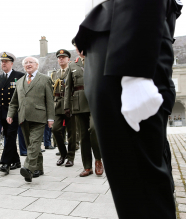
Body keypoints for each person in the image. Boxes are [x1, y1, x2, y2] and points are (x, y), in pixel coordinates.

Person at [74, 0, 182, 218]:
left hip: (126, 42)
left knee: (141, 187)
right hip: (116, 40)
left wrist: (135, 70)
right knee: (133, 187)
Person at [7, 56, 55, 182]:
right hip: (24, 117)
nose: (28, 64)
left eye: (31, 62)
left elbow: (50, 100)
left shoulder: (45, 79)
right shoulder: (19, 82)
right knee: (32, 145)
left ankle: (28, 169)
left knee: (34, 143)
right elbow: (14, 102)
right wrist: (10, 114)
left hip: (39, 117)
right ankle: (39, 168)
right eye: (26, 63)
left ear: (37, 65)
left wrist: (51, 118)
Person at [64, 39, 103, 177]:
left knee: (93, 129)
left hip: (95, 102)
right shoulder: (72, 66)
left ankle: (98, 159)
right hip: (79, 104)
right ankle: (87, 166)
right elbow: (68, 87)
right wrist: (66, 106)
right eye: (77, 47)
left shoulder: (98, 60)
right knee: (83, 136)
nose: (79, 49)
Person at [0, 52, 25, 174]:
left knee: (11, 136)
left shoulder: (19, 76)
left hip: (15, 113)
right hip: (3, 113)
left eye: (6, 62)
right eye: (2, 62)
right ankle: (17, 161)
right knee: (8, 136)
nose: (3, 63)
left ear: (11, 63)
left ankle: (5, 163)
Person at [51, 49, 76, 167]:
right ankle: (63, 153)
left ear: (68, 59)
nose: (61, 59)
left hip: (70, 104)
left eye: (63, 57)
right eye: (59, 57)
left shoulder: (72, 71)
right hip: (57, 104)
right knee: (55, 129)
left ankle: (70, 157)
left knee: (71, 132)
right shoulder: (54, 74)